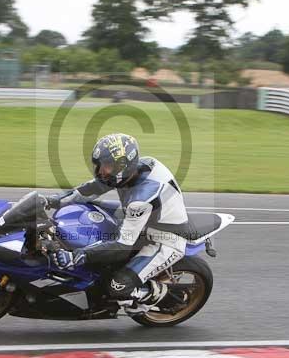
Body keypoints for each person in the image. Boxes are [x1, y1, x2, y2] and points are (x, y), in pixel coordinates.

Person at [47, 133, 189, 315]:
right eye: (99, 165)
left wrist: (76, 256)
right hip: (141, 221)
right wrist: (52, 201)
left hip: (163, 239)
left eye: (104, 167)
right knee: (87, 207)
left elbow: (123, 245)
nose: (99, 172)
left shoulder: (140, 199)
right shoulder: (138, 167)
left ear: (122, 167)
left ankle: (157, 295)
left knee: (118, 287)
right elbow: (91, 189)